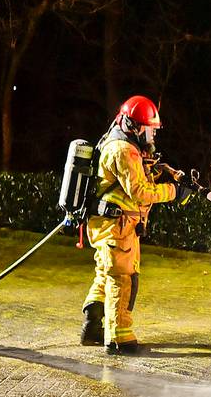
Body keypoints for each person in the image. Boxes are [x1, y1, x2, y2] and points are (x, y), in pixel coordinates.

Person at [79, 95, 195, 355]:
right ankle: (119, 339)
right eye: (149, 129)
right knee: (122, 278)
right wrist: (174, 192)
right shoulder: (123, 150)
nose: (152, 135)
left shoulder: (122, 143)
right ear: (134, 126)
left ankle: (92, 325)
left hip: (110, 223)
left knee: (106, 273)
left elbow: (131, 180)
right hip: (116, 225)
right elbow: (140, 192)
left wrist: (159, 172)